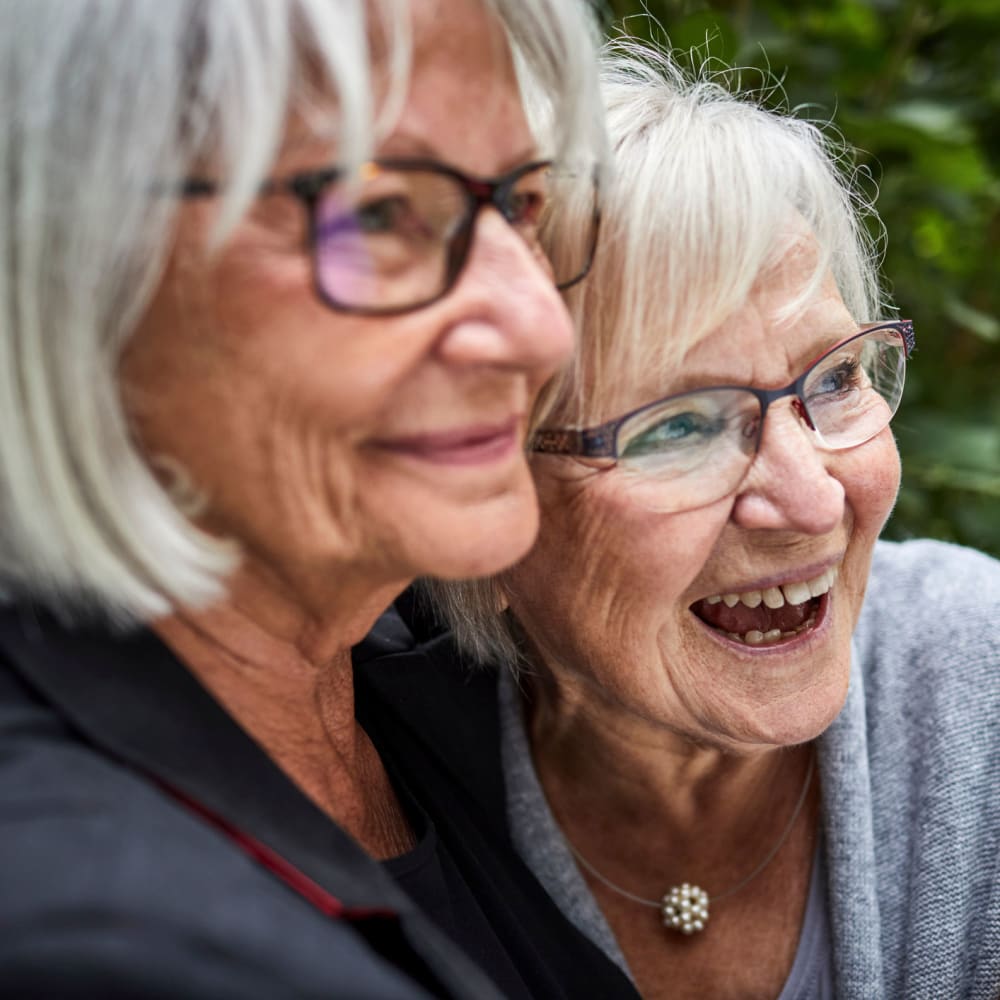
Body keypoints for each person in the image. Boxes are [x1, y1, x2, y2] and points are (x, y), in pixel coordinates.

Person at [0, 2, 639, 997]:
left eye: (519, 203)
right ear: (61, 261)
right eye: (374, 212)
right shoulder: (102, 937)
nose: (538, 328)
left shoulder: (416, 670)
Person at [361, 43, 1000, 999]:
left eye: (835, 379)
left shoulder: (979, 690)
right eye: (681, 426)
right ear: (482, 499)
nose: (813, 499)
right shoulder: (381, 772)